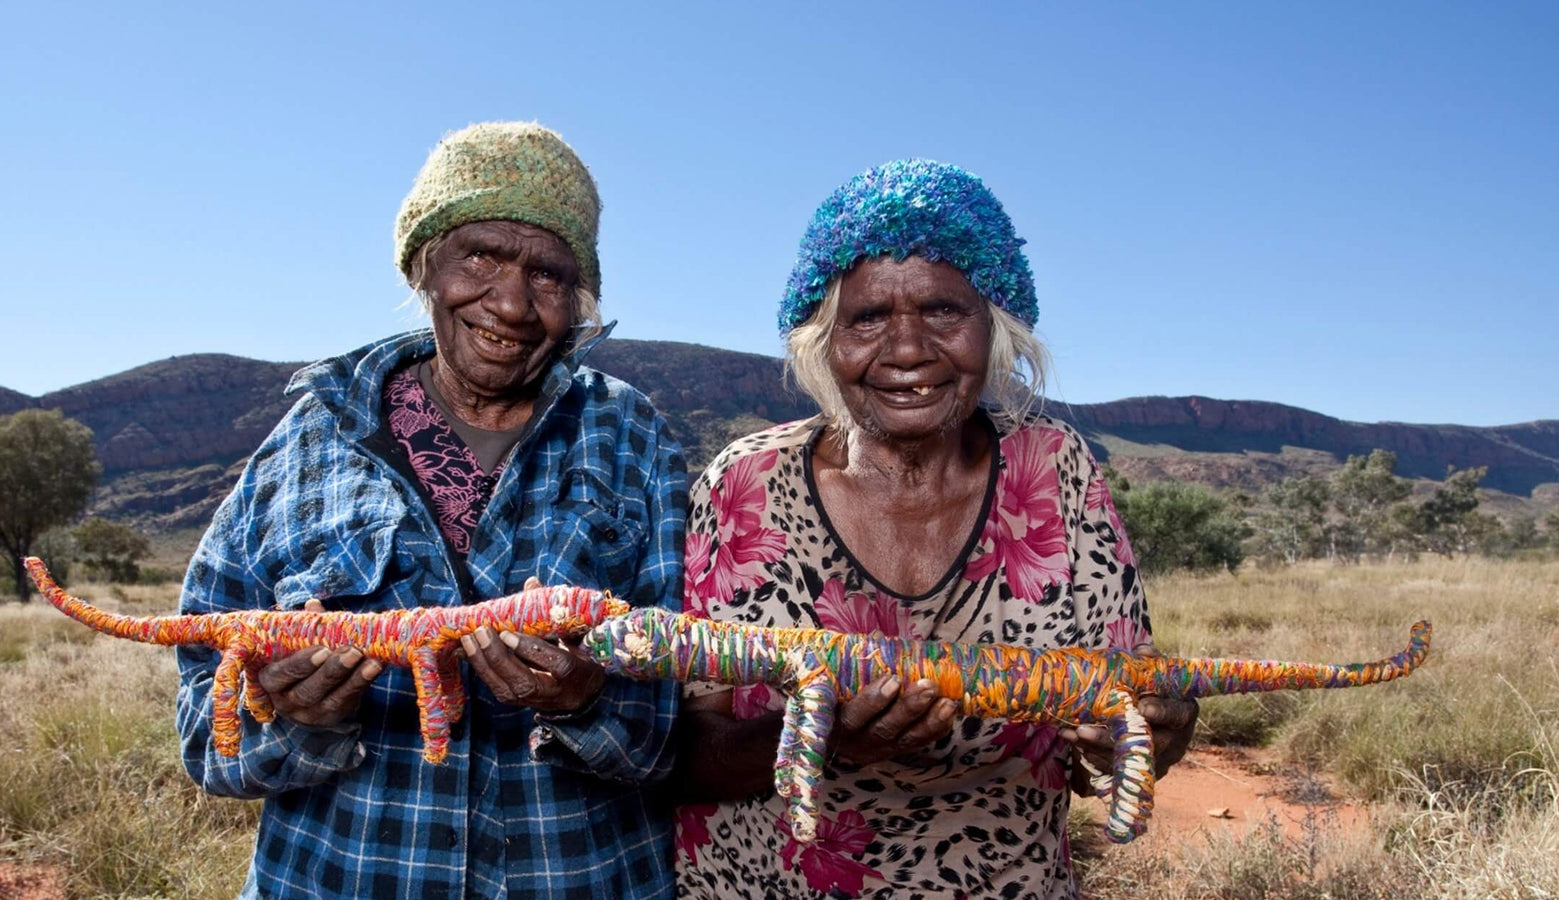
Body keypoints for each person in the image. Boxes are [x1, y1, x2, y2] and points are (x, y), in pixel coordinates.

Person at [175, 122, 686, 899]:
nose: (511, 303)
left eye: (547, 275)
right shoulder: (314, 436)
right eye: (480, 256)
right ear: (424, 265)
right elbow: (200, 724)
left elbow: (683, 719)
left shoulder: (629, 436)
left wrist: (588, 702)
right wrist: (292, 720)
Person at [671, 159, 1198, 899]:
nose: (908, 349)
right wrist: (823, 740)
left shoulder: (1055, 472)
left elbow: (1111, 731)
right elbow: (686, 753)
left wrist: (1141, 740)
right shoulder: (745, 484)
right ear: (824, 340)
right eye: (867, 318)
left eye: (944, 310)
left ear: (996, 326)